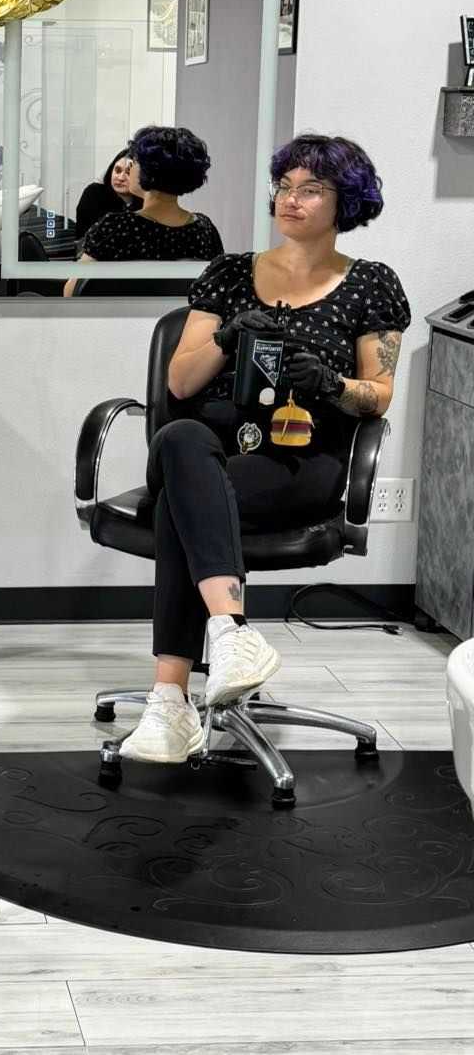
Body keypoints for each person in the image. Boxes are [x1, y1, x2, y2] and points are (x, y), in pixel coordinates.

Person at [118, 133, 410, 763]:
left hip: (301, 457)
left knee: (180, 506)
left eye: (312, 189)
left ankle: (169, 702)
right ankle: (229, 632)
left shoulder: (371, 285)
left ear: (346, 202)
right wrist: (227, 335)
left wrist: (331, 383)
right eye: (285, 187)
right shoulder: (227, 274)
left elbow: (378, 395)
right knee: (180, 434)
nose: (292, 200)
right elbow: (180, 382)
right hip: (212, 446)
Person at [63, 126, 223, 296]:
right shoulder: (205, 229)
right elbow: (216, 287)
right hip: (181, 321)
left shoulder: (115, 227)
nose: (129, 169)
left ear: (148, 172)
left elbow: (72, 291)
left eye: (134, 163)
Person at [72, 148, 141, 245]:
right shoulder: (94, 193)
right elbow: (88, 236)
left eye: (128, 173)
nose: (121, 178)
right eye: (117, 171)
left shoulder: (148, 201)